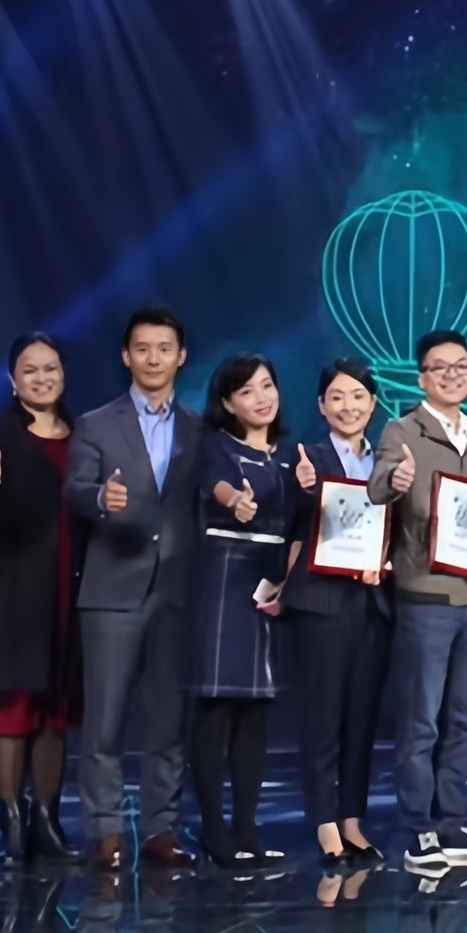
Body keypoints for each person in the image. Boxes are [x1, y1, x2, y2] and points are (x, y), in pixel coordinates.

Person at [63, 306, 204, 873]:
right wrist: (101, 498)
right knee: (105, 721)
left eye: (164, 348)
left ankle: (161, 830)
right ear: (126, 356)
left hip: (176, 588)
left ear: (181, 357)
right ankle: (105, 832)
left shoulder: (198, 428)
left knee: (168, 720)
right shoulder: (96, 424)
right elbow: (75, 488)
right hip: (112, 588)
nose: (153, 358)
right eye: (142, 348)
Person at [269, 361, 409, 866]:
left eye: (358, 397)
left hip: (373, 603)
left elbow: (400, 526)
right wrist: (302, 488)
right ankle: (325, 821)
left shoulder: (389, 460)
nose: (348, 406)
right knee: (323, 716)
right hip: (322, 602)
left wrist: (387, 561)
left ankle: (353, 819)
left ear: (373, 404)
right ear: (322, 406)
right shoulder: (306, 456)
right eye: (337, 397)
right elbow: (288, 522)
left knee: (362, 719)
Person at [384, 329, 467, 868]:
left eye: (461, 366)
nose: (453, 376)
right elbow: (379, 488)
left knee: (465, 719)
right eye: (440, 368)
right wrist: (395, 480)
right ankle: (420, 830)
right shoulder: (402, 431)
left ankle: (453, 823)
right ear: (422, 378)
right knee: (421, 721)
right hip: (426, 598)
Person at [0, 333, 81, 861]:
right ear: (12, 379)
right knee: (10, 713)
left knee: (55, 714)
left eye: (51, 368)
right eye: (30, 370)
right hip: (10, 594)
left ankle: (48, 819)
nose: (42, 378)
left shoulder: (86, 435)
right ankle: (11, 819)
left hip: (69, 589)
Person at [184, 352, 300, 868]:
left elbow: (306, 516)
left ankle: (247, 830)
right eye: (247, 390)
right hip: (225, 575)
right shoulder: (215, 446)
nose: (261, 398)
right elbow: (216, 485)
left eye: (267, 385)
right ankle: (213, 829)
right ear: (228, 403)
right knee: (217, 710)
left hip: (272, 581)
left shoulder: (292, 453)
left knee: (256, 714)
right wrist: (235, 500)